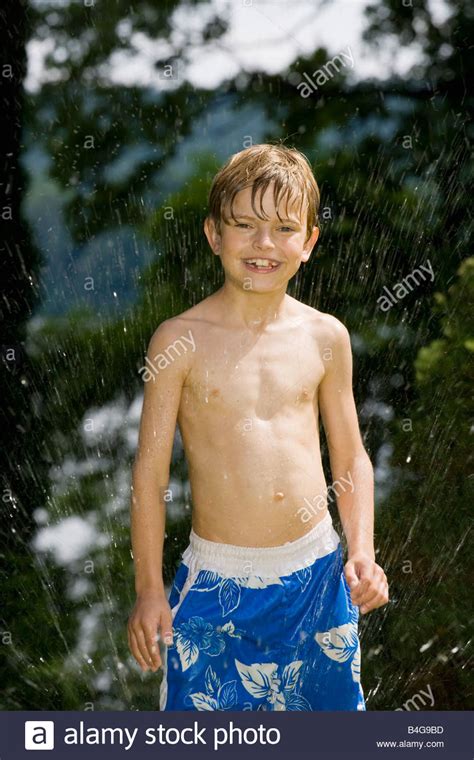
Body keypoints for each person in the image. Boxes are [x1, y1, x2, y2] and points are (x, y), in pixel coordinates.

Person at [127, 143, 389, 711]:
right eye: (243, 225)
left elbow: (350, 458)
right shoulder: (178, 341)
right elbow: (148, 475)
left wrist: (362, 551)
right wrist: (149, 591)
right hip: (216, 584)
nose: (263, 244)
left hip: (317, 576)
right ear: (213, 235)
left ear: (309, 242)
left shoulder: (326, 337)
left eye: (283, 228)